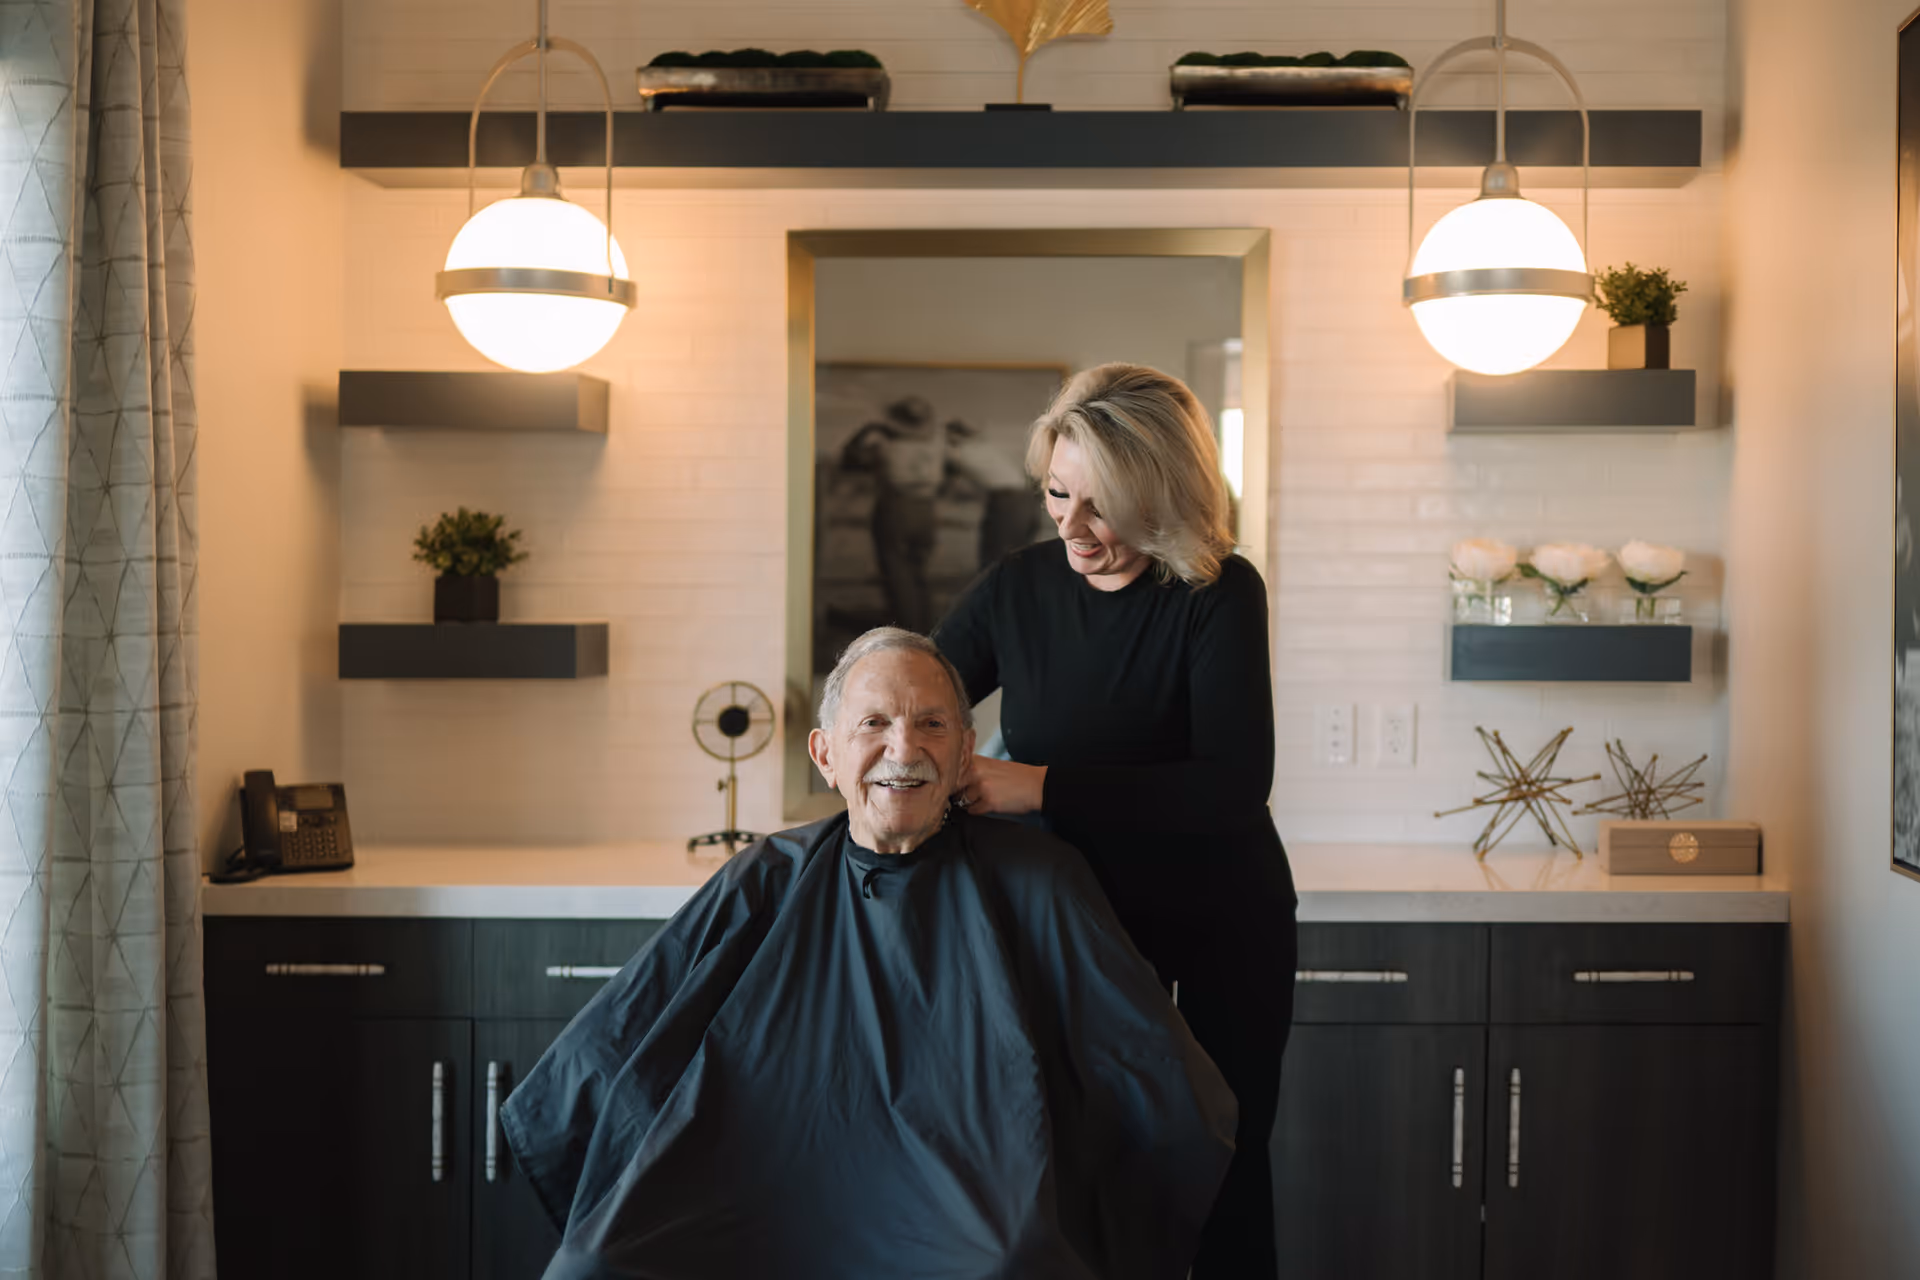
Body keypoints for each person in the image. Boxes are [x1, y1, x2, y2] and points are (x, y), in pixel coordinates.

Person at [500, 627, 1237, 1280]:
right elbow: (635, 1030)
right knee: (595, 1263)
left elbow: (1144, 1067)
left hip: (966, 1200)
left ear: (963, 750)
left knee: (1009, 1261)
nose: (903, 749)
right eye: (875, 724)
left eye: (931, 725)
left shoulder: (1037, 879)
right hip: (750, 1185)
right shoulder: (769, 874)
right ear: (826, 753)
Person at [934, 362, 1299, 1279]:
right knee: (1079, 1158)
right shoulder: (1018, 588)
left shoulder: (1218, 593)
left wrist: (1039, 786)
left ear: (1164, 499)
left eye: (1104, 508)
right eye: (1059, 494)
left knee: (1224, 1159)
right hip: (1080, 921)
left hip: (1225, 919)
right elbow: (924, 698)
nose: (1073, 526)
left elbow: (1230, 787)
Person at [840, 395, 946, 633]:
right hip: (926, 507)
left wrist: (868, 430)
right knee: (919, 573)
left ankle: (906, 628)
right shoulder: (937, 442)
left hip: (898, 505)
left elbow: (849, 459)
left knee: (897, 573)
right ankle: (926, 626)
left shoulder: (884, 444)